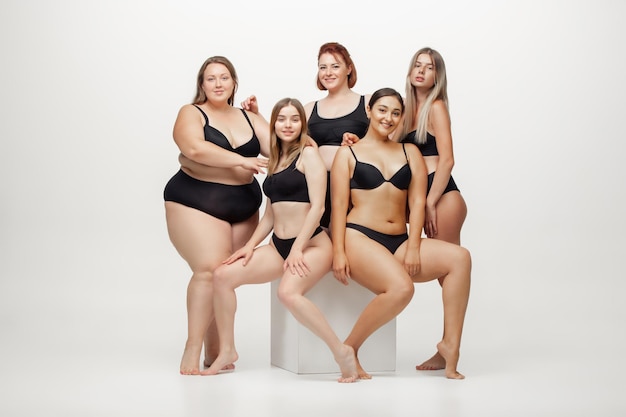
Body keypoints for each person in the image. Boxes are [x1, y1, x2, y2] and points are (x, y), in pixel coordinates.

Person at [203, 98, 358, 383]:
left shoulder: (308, 155)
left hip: (311, 244)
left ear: (302, 125)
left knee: (287, 293)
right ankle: (227, 351)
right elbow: (270, 215)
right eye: (282, 119)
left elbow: (318, 207)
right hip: (278, 246)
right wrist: (249, 247)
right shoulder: (276, 159)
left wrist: (298, 247)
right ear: (274, 124)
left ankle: (342, 352)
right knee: (223, 276)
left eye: (294, 119)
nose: (288, 125)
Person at [331, 88, 471, 380]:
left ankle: (450, 346)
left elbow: (417, 203)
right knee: (402, 288)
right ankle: (349, 349)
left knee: (460, 258)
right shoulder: (348, 153)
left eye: (396, 113)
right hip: (359, 237)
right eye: (382, 110)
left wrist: (414, 247)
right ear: (368, 111)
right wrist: (339, 252)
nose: (389, 118)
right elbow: (339, 207)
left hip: (399, 240)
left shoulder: (411, 152)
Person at [163, 56, 270, 375]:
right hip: (196, 198)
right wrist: (239, 161)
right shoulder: (191, 113)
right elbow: (194, 149)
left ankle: (216, 351)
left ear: (234, 83)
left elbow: (277, 147)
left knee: (223, 277)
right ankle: (192, 348)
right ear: (202, 85)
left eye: (225, 77)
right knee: (207, 271)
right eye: (211, 78)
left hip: (244, 203)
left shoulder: (247, 115)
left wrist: (260, 116)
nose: (219, 83)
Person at [397, 47, 468, 371]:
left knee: (451, 273)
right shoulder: (407, 108)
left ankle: (449, 346)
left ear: (437, 76)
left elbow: (448, 159)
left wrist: (428, 201)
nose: (421, 71)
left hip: (442, 199)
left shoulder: (436, 106)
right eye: (417, 65)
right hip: (424, 199)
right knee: (447, 277)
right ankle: (447, 347)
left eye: (429, 67)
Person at [303, 42, 371, 229]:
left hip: (355, 190)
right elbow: (283, 138)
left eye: (335, 66)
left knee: (349, 252)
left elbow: (387, 140)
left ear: (349, 68)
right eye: (322, 67)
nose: (328, 72)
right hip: (317, 191)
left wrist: (359, 145)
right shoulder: (309, 108)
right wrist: (255, 114)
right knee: (322, 252)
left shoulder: (368, 102)